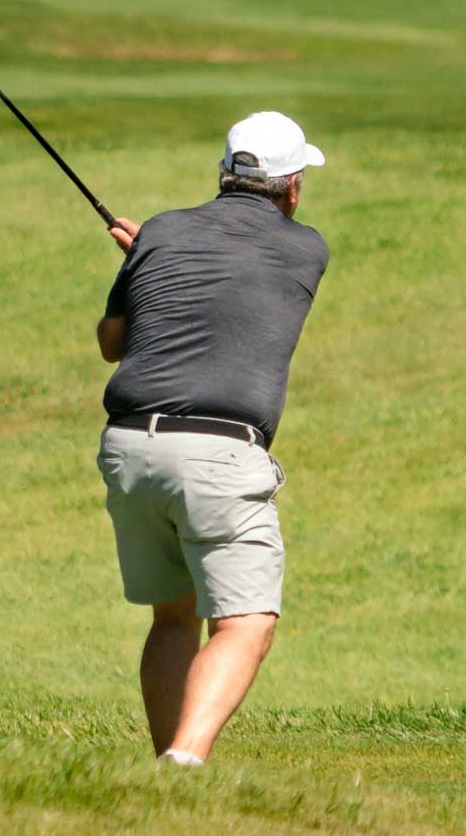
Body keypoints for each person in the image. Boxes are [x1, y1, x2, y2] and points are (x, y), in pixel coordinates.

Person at [94, 111, 329, 766]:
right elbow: (234, 279)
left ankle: (168, 774)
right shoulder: (305, 248)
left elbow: (111, 343)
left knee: (174, 615)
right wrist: (152, 258)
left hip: (130, 447)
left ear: (223, 173)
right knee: (246, 622)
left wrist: (148, 261)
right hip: (217, 453)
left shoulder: (163, 233)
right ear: (292, 187)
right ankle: (185, 761)